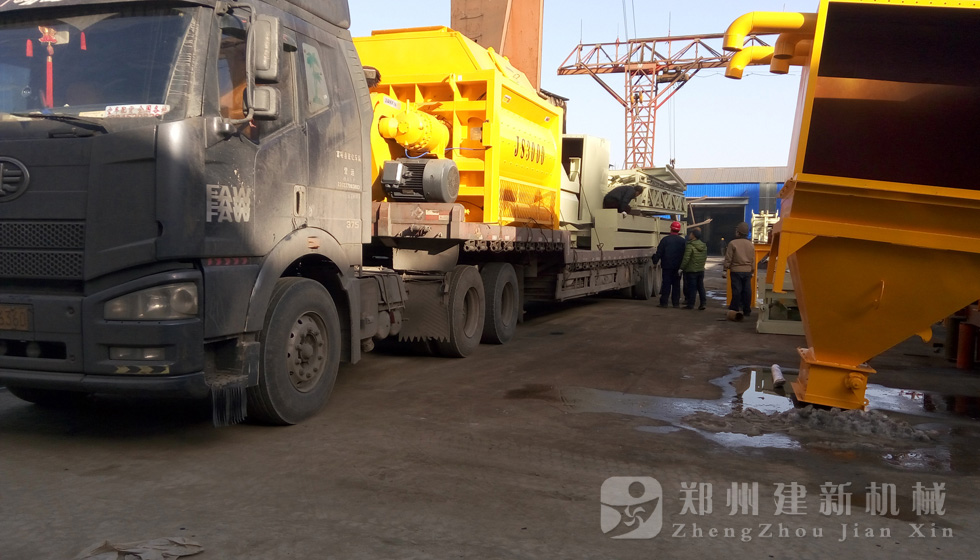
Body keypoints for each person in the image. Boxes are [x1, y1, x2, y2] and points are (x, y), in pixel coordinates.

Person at [724, 221, 755, 317]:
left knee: (736, 290)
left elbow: (728, 258)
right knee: (747, 291)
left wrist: (725, 269)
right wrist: (752, 270)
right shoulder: (751, 244)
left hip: (736, 271)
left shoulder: (732, 243)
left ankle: (734, 308)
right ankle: (747, 310)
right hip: (747, 271)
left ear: (738, 232)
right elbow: (753, 259)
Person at [655, 220, 686, 308]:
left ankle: (664, 303)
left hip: (667, 266)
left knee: (666, 284)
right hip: (678, 267)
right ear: (679, 230)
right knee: (676, 285)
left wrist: (655, 260)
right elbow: (686, 254)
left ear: (671, 229)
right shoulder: (682, 241)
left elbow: (659, 252)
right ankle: (675, 303)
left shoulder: (665, 240)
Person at [679, 227, 708, 310]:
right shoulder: (703, 245)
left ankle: (691, 304)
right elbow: (704, 257)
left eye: (691, 234)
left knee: (692, 288)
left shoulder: (690, 245)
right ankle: (703, 303)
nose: (689, 235)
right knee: (701, 287)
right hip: (700, 270)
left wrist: (681, 268)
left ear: (694, 236)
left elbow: (686, 258)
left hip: (691, 270)